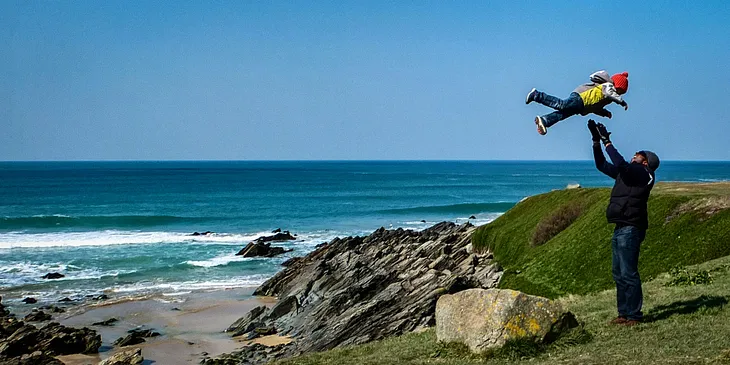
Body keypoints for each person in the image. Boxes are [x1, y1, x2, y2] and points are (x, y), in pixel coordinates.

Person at [588, 119, 659, 326]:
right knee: (618, 273)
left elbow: (621, 164)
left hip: (631, 228)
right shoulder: (628, 173)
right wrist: (595, 141)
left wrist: (607, 141)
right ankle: (623, 313)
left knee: (628, 272)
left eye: (638, 154)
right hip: (621, 226)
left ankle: (635, 316)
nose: (634, 155)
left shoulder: (644, 174)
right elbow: (602, 164)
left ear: (645, 162)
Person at [526, 71, 629, 135]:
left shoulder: (608, 99)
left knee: (563, 115)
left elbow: (595, 107)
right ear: (616, 85)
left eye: (621, 93)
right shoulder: (608, 86)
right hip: (580, 97)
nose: (619, 93)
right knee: (562, 105)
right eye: (619, 90)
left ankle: (545, 121)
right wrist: (622, 102)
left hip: (582, 107)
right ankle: (537, 95)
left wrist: (604, 113)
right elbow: (610, 92)